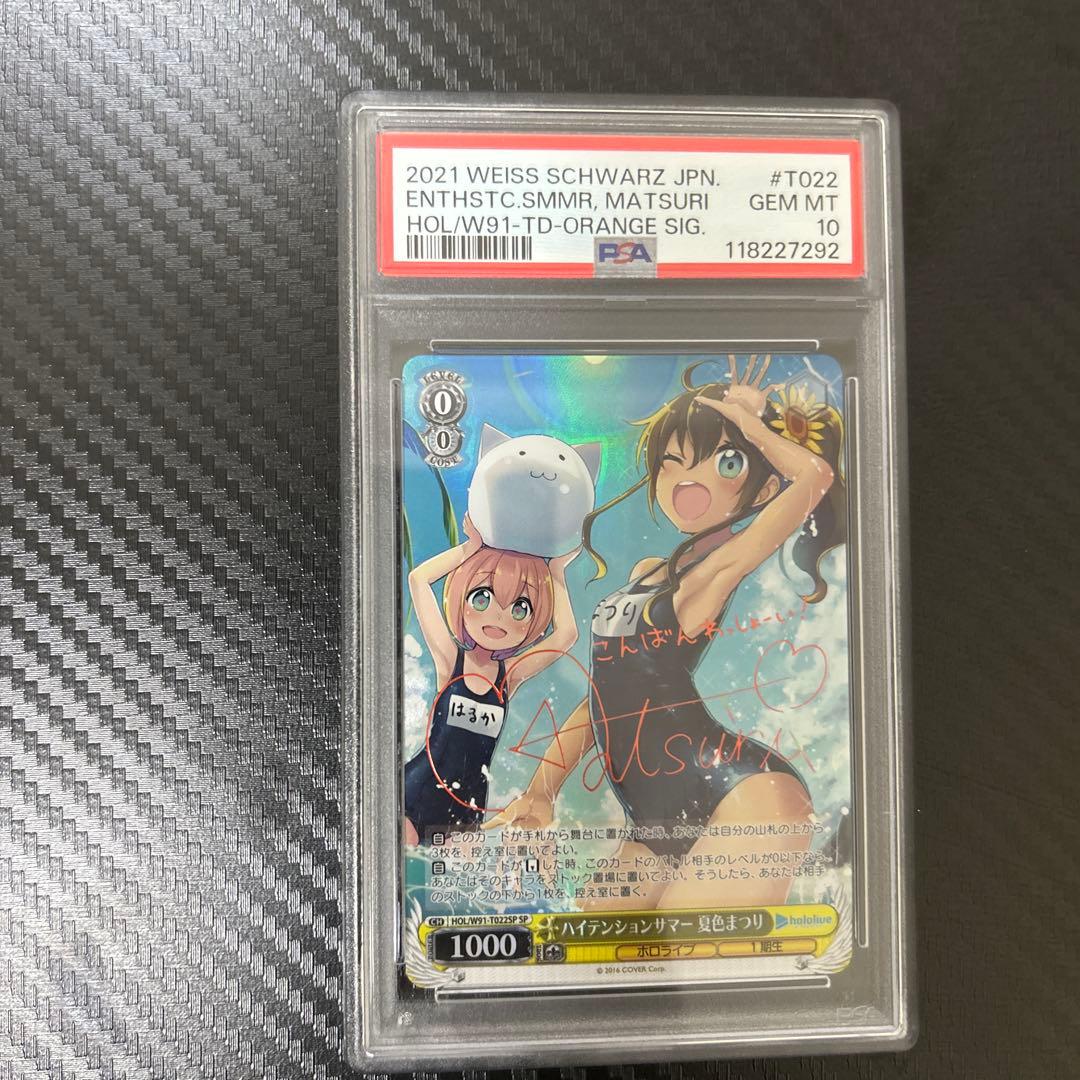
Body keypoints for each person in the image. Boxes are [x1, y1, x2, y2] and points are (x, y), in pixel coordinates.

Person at [485, 355, 845, 909]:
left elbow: (815, 477)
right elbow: (605, 694)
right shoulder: (649, 574)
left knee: (690, 950)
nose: (688, 483)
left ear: (764, 489)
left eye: (725, 464)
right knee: (592, 943)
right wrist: (540, 792)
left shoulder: (718, 570)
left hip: (742, 795)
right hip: (654, 820)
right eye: (673, 462)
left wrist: (748, 423)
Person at [404, 514, 579, 845]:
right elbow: (419, 579)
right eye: (482, 598)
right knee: (399, 866)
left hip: (468, 805)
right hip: (419, 789)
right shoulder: (450, 659)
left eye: (520, 608)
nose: (499, 616)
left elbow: (567, 635)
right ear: (463, 598)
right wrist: (470, 548)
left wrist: (555, 574)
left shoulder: (510, 673)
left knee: (447, 877)